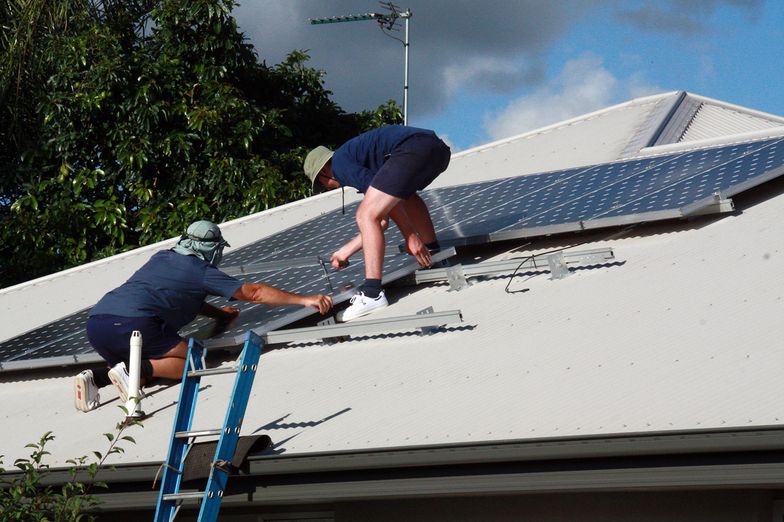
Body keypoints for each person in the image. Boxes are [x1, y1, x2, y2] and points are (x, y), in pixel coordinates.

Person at [73, 220, 333, 412]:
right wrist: (304, 299)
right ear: (211, 248)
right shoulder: (199, 270)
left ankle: (95, 377)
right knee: (196, 361)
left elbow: (183, 296)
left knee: (139, 379)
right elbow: (253, 293)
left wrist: (219, 315)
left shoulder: (162, 258)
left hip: (98, 324)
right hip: (135, 325)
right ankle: (130, 369)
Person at [303, 125, 450, 322]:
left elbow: (373, 217)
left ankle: (372, 293)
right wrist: (347, 250)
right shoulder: (357, 159)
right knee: (405, 197)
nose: (326, 188)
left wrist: (410, 236)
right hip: (436, 150)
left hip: (411, 149)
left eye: (321, 184)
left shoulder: (340, 165)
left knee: (364, 214)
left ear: (324, 171)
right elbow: (381, 220)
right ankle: (434, 256)